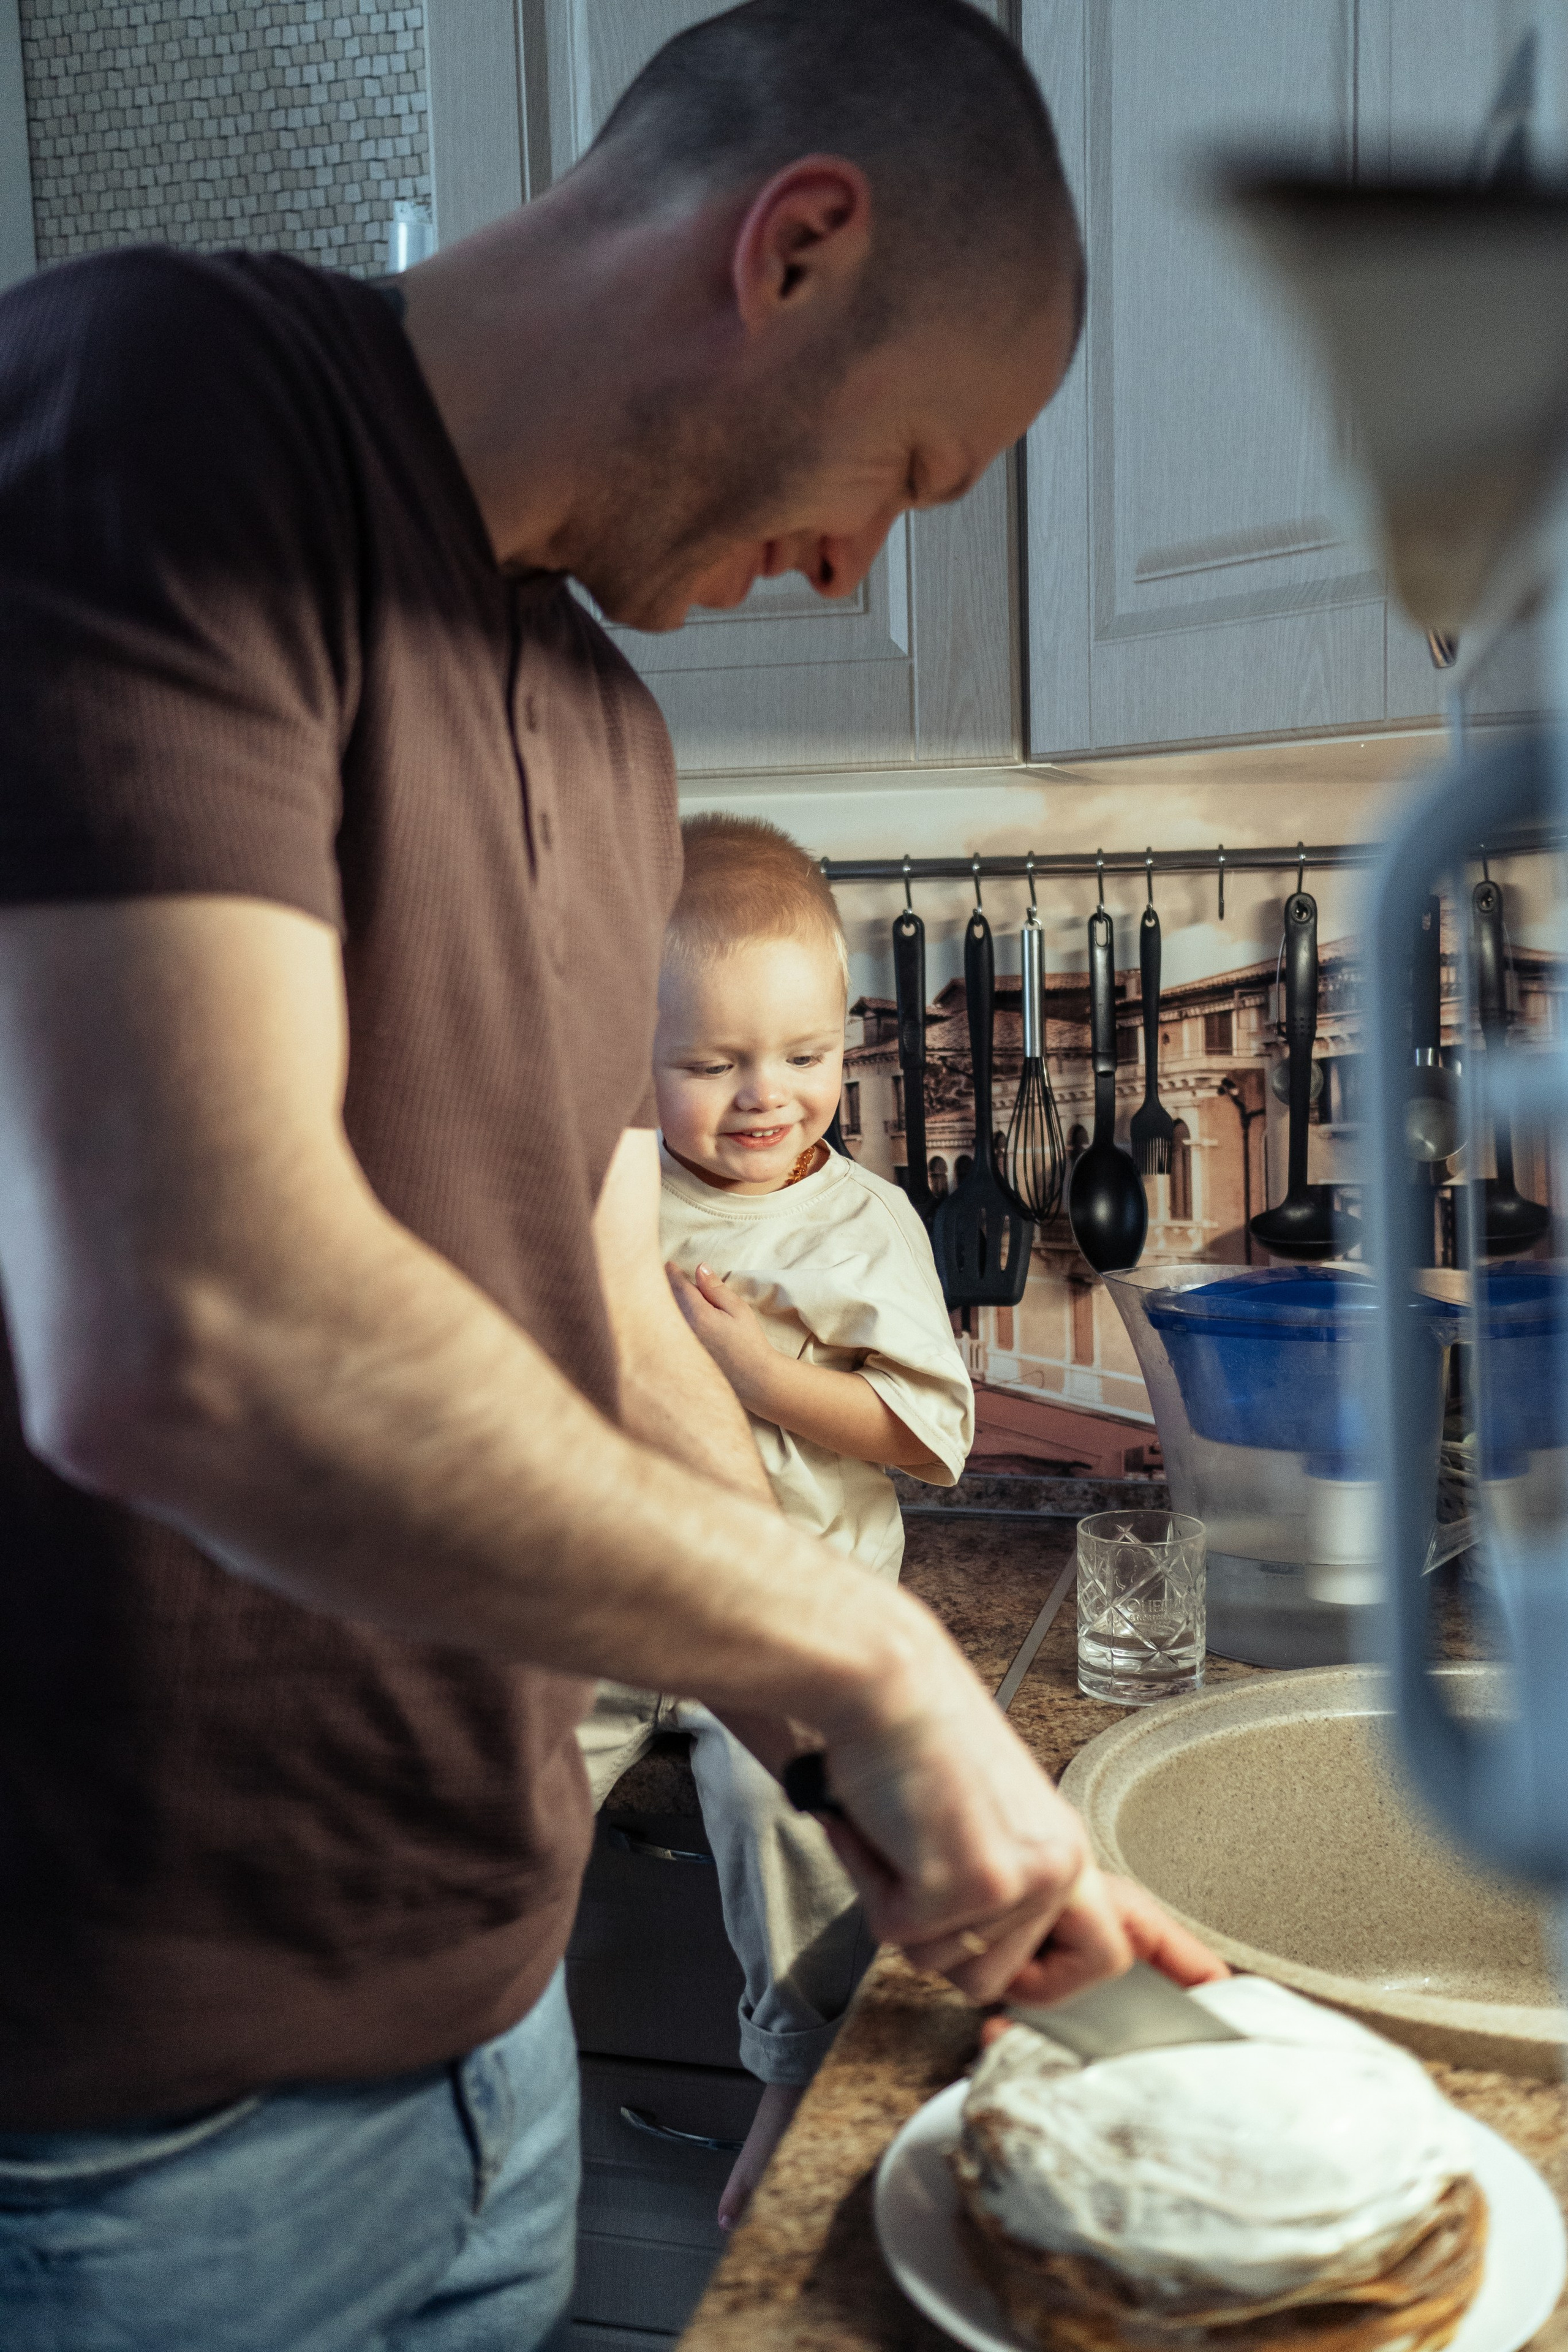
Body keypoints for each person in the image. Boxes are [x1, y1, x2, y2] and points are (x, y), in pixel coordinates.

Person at [0, 3, 1221, 2345]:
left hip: (486, 2039)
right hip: (127, 2134)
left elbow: (611, 1325)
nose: (861, 545)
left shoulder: (605, 732)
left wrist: (836, 1749)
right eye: (913, 466)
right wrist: (861, 1642)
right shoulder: (174, 415)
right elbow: (191, 1334)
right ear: (797, 251)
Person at [580, 813, 976, 2228]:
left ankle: (793, 2085)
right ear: (629, 1054)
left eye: (804, 1058)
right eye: (709, 1065)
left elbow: (927, 1439)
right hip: (622, 1608)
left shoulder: (864, 1228)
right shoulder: (611, 1198)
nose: (766, 1098)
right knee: (497, 1766)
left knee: (790, 1821)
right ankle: (455, 2024)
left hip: (799, 1610)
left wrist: (756, 1370)